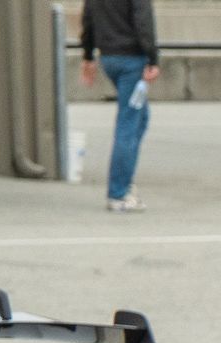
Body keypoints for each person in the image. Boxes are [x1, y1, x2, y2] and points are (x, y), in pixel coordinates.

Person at [79, 0, 161, 214]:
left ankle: (124, 178)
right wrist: (153, 59)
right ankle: (119, 193)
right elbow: (143, 21)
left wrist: (88, 56)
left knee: (140, 118)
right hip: (132, 58)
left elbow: (88, 19)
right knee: (129, 123)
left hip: (109, 57)